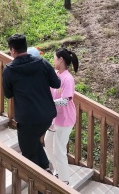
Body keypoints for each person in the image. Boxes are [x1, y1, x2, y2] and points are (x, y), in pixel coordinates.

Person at [3, 34, 61, 172]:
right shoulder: (42, 63)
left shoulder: (9, 70)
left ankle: (39, 184)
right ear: (26, 47)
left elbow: (8, 94)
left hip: (27, 118)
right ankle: (46, 168)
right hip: (47, 115)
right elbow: (56, 83)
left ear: (12, 50)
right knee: (33, 142)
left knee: (28, 153)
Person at [44, 47, 79, 186]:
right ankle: (58, 170)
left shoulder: (67, 78)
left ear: (61, 59)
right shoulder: (56, 74)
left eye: (54, 58)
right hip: (55, 118)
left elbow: (65, 100)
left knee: (59, 150)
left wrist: (49, 103)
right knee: (48, 142)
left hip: (65, 120)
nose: (53, 60)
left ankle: (64, 182)